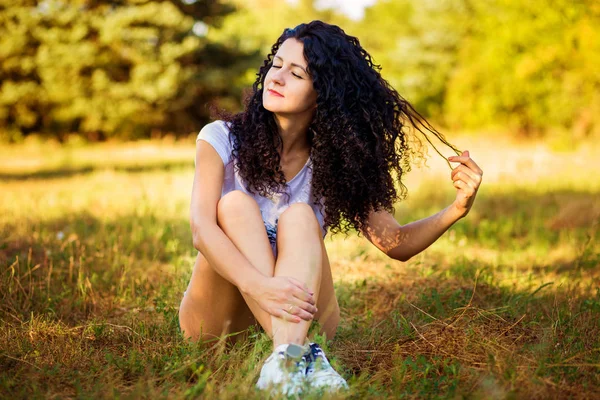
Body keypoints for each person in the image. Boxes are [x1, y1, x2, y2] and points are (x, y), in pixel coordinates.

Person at [178, 20, 483, 396]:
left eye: (297, 73)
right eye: (276, 65)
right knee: (235, 205)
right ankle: (298, 356)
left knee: (300, 215)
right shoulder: (220, 138)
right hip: (221, 322)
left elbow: (396, 242)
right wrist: (260, 286)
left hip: (307, 316)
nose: (277, 77)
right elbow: (200, 229)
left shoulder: (335, 161)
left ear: (324, 92)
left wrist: (456, 208)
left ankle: (285, 360)